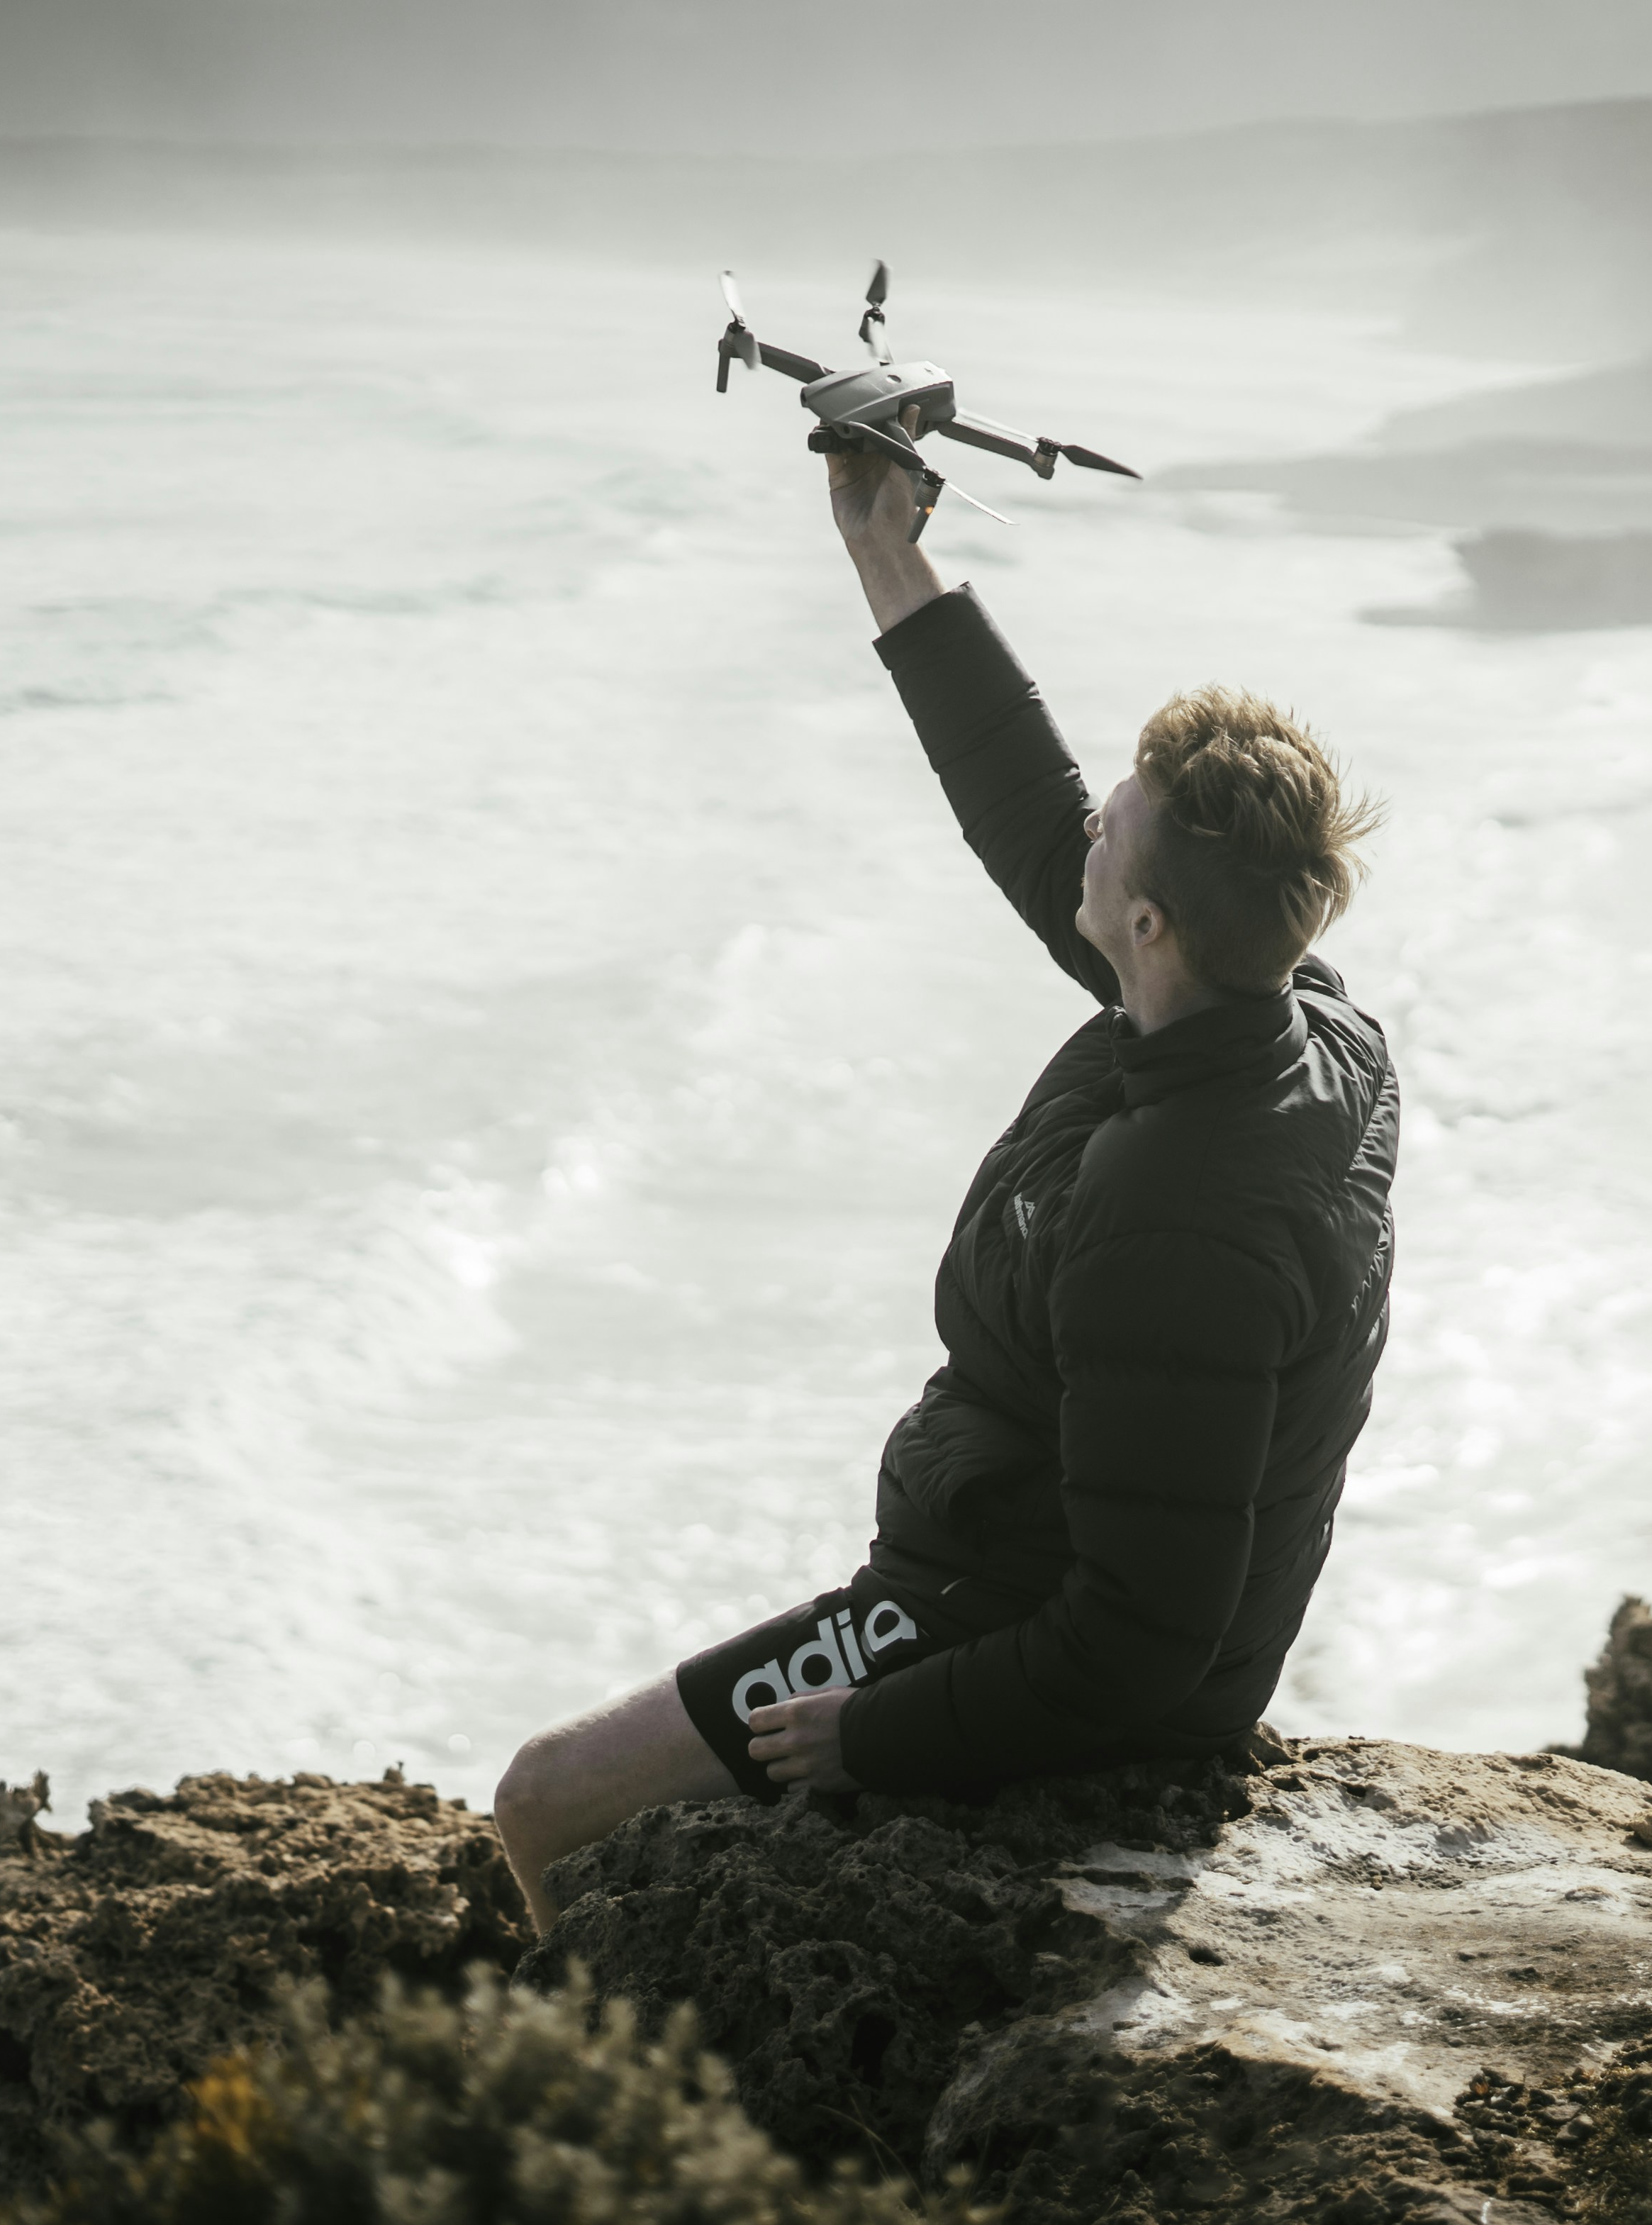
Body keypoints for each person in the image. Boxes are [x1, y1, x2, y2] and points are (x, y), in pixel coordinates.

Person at [487, 446, 1400, 1934]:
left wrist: (879, 1731)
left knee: (549, 1796)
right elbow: (1033, 816)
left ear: (1150, 925)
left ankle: (621, 2065)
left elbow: (1139, 1638)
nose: (1085, 833)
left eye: (1112, 830)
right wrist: (885, 552)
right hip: (1014, 1563)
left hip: (1005, 1624)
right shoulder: (1279, 1021)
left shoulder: (1173, 1224)